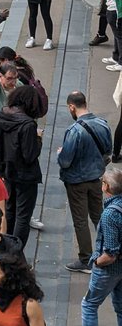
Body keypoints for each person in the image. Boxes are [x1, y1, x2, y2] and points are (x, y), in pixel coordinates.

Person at [63, 163, 122, 326]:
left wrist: (95, 262)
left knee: (89, 306)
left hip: (109, 271)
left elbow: (110, 253)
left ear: (106, 186)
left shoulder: (110, 214)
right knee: (120, 308)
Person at [58, 91, 113, 272]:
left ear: (72, 107)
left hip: (77, 181)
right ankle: (110, 249)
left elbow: (65, 161)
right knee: (98, 215)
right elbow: (107, 151)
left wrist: (60, 153)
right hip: (96, 178)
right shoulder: (102, 125)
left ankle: (86, 259)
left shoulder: (74, 131)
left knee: (80, 220)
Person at [0, 85, 43, 247]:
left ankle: (6, 246)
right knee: (23, 216)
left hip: (7, 171)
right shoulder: (28, 124)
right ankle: (15, 252)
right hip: (25, 176)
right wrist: (38, 139)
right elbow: (30, 155)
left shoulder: (1, 116)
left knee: (9, 211)